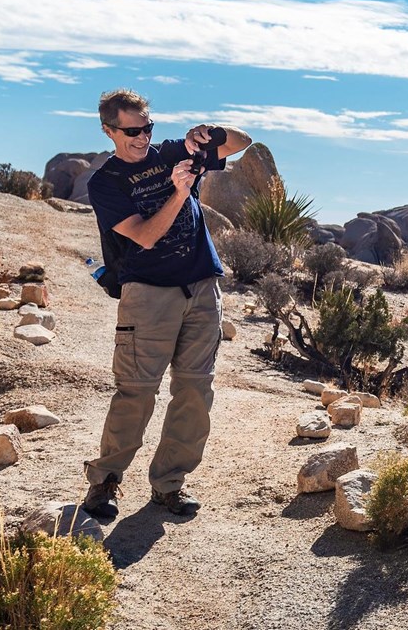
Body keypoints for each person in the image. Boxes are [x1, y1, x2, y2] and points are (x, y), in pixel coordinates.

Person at [81, 89, 251, 519]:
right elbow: (146, 235)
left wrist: (211, 133)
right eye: (132, 131)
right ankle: (105, 482)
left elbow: (242, 141)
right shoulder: (106, 183)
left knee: (195, 389)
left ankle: (169, 483)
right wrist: (180, 191)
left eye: (148, 128)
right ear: (109, 130)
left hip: (201, 287)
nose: (142, 137)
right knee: (136, 390)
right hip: (147, 295)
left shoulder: (174, 151)